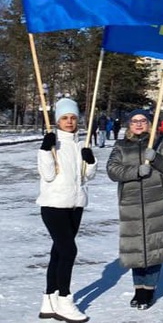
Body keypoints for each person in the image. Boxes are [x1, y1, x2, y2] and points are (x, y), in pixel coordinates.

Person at [106, 109, 163, 310]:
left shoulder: (160, 142)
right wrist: (136, 171)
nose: (138, 124)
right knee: (136, 248)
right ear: (129, 125)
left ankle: (149, 289)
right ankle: (138, 289)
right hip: (131, 203)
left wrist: (155, 158)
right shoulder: (121, 145)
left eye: (143, 121)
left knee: (154, 247)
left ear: (149, 123)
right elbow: (112, 170)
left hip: (157, 201)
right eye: (134, 121)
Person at [36, 97, 96, 323]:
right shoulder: (52, 143)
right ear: (57, 120)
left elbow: (87, 176)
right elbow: (48, 175)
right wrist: (45, 149)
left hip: (75, 204)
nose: (69, 122)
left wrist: (90, 161)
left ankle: (49, 299)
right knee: (69, 251)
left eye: (72, 117)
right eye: (64, 118)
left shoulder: (82, 142)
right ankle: (64, 299)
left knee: (59, 252)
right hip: (53, 206)